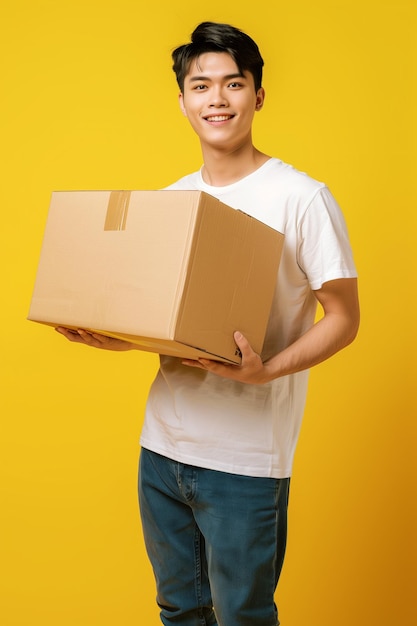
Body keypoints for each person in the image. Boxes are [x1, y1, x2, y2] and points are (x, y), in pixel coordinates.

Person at [56, 21, 360, 626]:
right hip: (162, 447)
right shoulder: (172, 199)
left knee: (242, 616)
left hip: (244, 459)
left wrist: (266, 370)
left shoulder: (301, 197)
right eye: (201, 85)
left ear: (258, 95)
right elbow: (161, 318)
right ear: (183, 100)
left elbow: (345, 319)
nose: (216, 100)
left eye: (233, 84)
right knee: (178, 610)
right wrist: (109, 334)